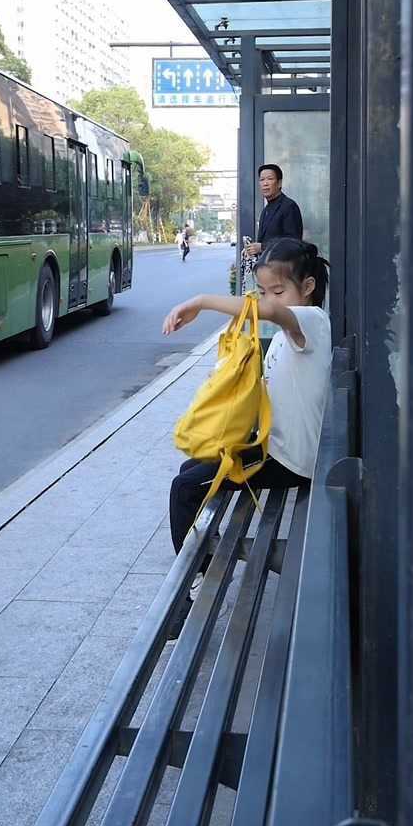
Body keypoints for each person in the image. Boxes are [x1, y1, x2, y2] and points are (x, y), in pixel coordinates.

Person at [162, 237, 331, 633]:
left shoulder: (310, 321)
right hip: (273, 447)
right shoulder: (293, 334)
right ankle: (210, 552)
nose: (269, 300)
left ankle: (195, 585)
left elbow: (267, 312)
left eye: (279, 290)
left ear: (307, 288)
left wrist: (201, 300)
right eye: (263, 291)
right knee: (193, 468)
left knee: (185, 487)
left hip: (288, 460)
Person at [244, 164, 303, 263]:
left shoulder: (289, 206)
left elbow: (293, 243)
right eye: (262, 180)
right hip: (267, 269)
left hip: (283, 270)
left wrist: (262, 247)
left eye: (270, 179)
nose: (265, 183)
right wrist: (252, 249)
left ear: (279, 183)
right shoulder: (265, 210)